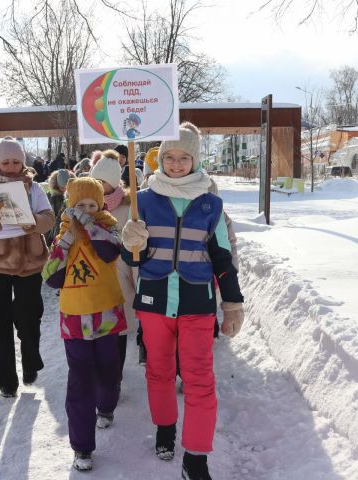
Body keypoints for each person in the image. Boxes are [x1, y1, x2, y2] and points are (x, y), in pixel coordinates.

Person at [121, 122, 245, 480]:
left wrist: (232, 304)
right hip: (154, 301)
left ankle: (196, 458)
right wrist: (131, 243)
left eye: (184, 157)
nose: (176, 164)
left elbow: (223, 259)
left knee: (200, 380)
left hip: (196, 303)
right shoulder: (141, 201)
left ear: (196, 159)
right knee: (158, 372)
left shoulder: (211, 205)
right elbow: (132, 262)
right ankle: (164, 428)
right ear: (160, 158)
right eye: (170, 156)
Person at [42, 177, 126, 472]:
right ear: (70, 205)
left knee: (108, 369)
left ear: (101, 205)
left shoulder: (109, 229)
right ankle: (82, 447)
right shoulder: (62, 235)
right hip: (75, 318)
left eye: (92, 205)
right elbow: (51, 277)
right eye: (80, 206)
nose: (86, 210)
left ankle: (106, 406)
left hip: (106, 314)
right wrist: (69, 237)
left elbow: (110, 252)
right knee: (80, 381)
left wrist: (89, 228)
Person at [0, 137, 56, 398]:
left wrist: (33, 223)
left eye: (16, 161)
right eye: (6, 161)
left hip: (29, 260)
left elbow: (49, 219)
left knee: (29, 316)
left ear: (23, 162)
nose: (11, 166)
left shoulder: (34, 188)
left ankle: (30, 362)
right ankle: (6, 380)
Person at [89, 150, 137, 392]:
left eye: (102, 182)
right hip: (94, 279)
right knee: (98, 330)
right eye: (95, 181)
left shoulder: (128, 209)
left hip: (120, 278)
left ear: (114, 183)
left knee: (118, 331)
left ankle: (114, 380)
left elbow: (133, 247)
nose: (98, 187)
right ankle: (103, 376)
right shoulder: (87, 207)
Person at [45, 169, 74, 246]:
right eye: (62, 187)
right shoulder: (51, 196)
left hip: (69, 229)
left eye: (67, 187)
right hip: (53, 230)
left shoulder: (73, 195)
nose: (65, 190)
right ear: (57, 185)